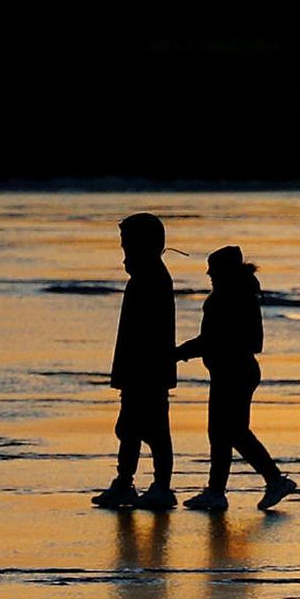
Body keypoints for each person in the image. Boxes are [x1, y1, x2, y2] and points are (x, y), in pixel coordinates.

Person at [175, 245, 297, 512]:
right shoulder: (244, 294)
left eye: (212, 270)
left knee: (231, 433)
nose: (208, 274)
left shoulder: (225, 298)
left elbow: (211, 340)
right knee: (224, 433)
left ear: (223, 272)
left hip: (233, 372)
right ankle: (219, 491)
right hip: (237, 370)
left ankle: (272, 480)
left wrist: (179, 352)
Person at [92, 213, 178, 510]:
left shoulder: (151, 277)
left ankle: (160, 487)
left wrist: (136, 370)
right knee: (130, 429)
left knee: (153, 430)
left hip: (147, 371)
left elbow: (148, 333)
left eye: (127, 242)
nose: (123, 248)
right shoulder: (145, 275)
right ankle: (125, 483)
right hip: (139, 371)